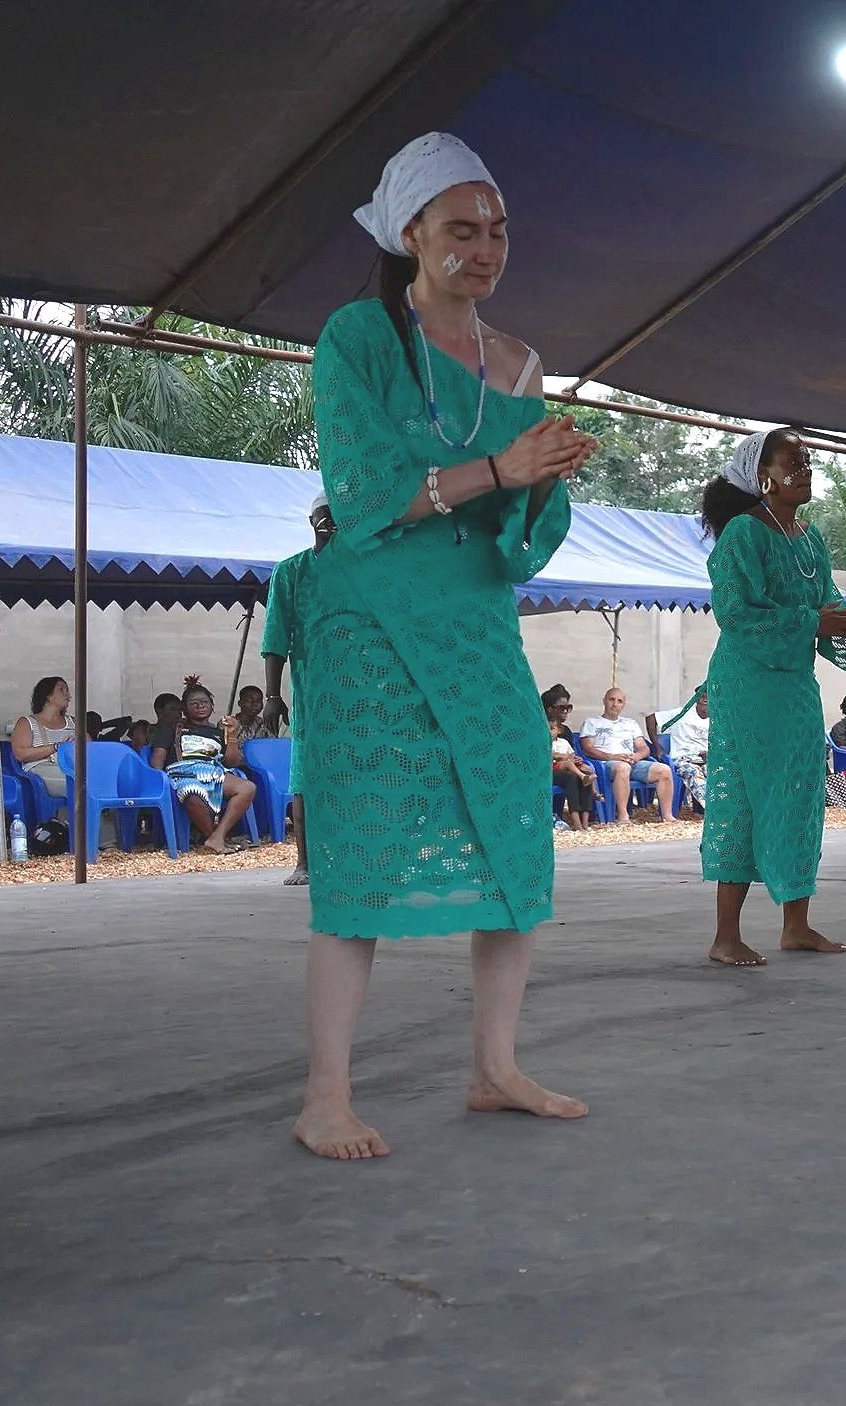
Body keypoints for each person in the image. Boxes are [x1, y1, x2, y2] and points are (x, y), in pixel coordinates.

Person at [294, 132, 600, 1161]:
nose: (485, 247)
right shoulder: (358, 338)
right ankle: (324, 1094)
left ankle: (494, 1065)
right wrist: (496, 468)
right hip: (369, 620)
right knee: (366, 834)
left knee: (517, 816)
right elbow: (362, 491)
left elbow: (517, 549)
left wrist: (543, 479)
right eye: (461, 229)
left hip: (473, 618)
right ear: (410, 233)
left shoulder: (518, 363)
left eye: (498, 228)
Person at [698, 427, 846, 965]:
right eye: (793, 462)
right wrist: (815, 620)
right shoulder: (743, 535)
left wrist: (843, 623)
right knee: (746, 801)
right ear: (762, 476)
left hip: (794, 687)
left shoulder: (809, 537)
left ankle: (796, 925)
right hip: (749, 685)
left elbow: (824, 601)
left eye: (808, 461)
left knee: (800, 796)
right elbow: (736, 615)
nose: (805, 470)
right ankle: (726, 936)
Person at [262, 494, 333, 885]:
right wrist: (273, 697)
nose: (330, 522)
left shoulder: (361, 570)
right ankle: (305, 862)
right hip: (310, 688)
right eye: (324, 516)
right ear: (311, 520)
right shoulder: (291, 571)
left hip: (359, 686)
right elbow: (276, 637)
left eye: (336, 515)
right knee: (306, 772)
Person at [148, 677, 260, 855]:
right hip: (183, 773)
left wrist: (231, 735)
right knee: (192, 793)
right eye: (194, 703)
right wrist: (159, 780)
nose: (200, 706)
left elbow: (231, 761)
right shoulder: (172, 728)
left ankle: (217, 837)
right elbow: (158, 757)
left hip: (213, 772)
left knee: (247, 788)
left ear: (212, 705)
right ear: (184, 708)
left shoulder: (218, 731)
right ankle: (213, 836)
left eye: (204, 702)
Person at [579, 688, 674, 824]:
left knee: (664, 770)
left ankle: (667, 815)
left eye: (619, 701)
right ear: (604, 701)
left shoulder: (631, 723)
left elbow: (644, 748)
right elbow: (588, 749)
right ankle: (623, 816)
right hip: (606, 764)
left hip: (632, 762)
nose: (615, 704)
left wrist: (637, 756)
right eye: (611, 699)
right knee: (623, 767)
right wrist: (612, 756)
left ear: (623, 705)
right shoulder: (591, 722)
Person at [9, 676, 76, 801]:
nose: (68, 694)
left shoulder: (73, 722)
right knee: (79, 785)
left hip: (72, 768)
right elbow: (20, 754)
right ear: (48, 696)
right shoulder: (27, 722)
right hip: (42, 770)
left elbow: (89, 748)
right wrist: (56, 747)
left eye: (67, 690)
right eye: (61, 690)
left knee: (97, 779)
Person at [544, 688, 596, 832]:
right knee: (571, 778)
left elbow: (570, 752)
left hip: (566, 767)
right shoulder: (540, 731)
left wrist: (578, 761)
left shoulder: (565, 731)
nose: (566, 711)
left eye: (568, 707)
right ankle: (576, 823)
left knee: (585, 774)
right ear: (549, 709)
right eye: (562, 708)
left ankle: (585, 822)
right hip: (548, 771)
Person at [661, 692, 710, 813]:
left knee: (716, 771)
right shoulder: (682, 713)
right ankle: (712, 811)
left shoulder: (717, 719)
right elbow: (651, 718)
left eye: (708, 695)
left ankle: (719, 807)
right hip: (682, 759)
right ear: (696, 697)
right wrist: (657, 748)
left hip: (704, 759)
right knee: (693, 772)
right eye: (702, 695)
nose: (705, 698)